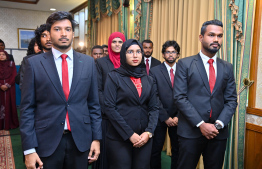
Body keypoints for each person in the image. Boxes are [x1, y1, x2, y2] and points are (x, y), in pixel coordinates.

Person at [19, 11, 102, 169]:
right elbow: (27, 108)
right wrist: (29, 149)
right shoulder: (34, 64)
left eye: (68, 29)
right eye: (57, 29)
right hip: (46, 141)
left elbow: (93, 104)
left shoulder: (88, 62)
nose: (63, 33)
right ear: (49, 34)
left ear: (72, 33)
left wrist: (96, 139)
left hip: (81, 140)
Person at [173, 19, 238, 169]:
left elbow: (231, 100)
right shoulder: (185, 64)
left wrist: (218, 124)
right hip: (190, 131)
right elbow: (180, 97)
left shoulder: (227, 67)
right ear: (201, 37)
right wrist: (201, 124)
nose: (216, 39)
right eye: (211, 35)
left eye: (220, 36)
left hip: (218, 133)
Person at [104, 39, 159, 169]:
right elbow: (110, 108)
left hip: (144, 137)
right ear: (123, 54)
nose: (135, 55)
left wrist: (149, 132)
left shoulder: (148, 79)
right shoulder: (113, 77)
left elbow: (154, 108)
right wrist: (130, 134)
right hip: (119, 138)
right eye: (130, 52)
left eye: (138, 52)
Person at [93, 32, 126, 169]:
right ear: (109, 43)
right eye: (114, 42)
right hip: (107, 115)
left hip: (126, 112)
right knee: (107, 152)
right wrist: (108, 109)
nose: (117, 44)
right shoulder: (101, 63)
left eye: (120, 42)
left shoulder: (129, 61)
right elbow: (98, 89)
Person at [150, 40, 180, 169]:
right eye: (168, 52)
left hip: (179, 117)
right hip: (159, 116)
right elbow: (154, 96)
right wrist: (166, 117)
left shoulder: (184, 70)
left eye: (173, 52)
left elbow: (188, 94)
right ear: (163, 54)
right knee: (156, 149)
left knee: (178, 149)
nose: (170, 54)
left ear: (178, 54)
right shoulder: (154, 71)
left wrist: (178, 116)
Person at [0, 50, 19, 130]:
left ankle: (10, 124)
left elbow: (14, 75)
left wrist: (7, 85)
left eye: (3, 54)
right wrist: (0, 85)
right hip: (0, 88)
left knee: (9, 104)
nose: (1, 56)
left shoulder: (11, 64)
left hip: (10, 88)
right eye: (0, 54)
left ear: (7, 55)